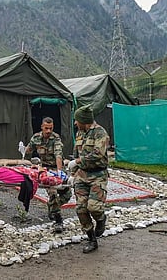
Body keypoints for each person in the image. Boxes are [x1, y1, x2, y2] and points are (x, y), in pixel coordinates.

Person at [69, 104, 110, 254]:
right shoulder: (80, 133)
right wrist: (72, 174)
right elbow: (76, 156)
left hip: (98, 175)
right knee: (81, 208)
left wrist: (78, 162)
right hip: (82, 175)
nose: (75, 123)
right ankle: (92, 239)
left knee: (94, 207)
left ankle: (101, 219)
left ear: (84, 120)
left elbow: (98, 154)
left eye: (77, 120)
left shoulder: (100, 133)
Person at [25, 117, 71, 233]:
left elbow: (58, 155)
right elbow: (28, 151)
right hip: (45, 169)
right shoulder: (36, 138)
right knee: (53, 192)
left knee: (67, 193)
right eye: (46, 128)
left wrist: (60, 172)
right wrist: (27, 163)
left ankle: (52, 207)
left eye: (50, 128)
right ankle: (58, 221)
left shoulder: (55, 138)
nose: (48, 131)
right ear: (42, 127)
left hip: (57, 168)